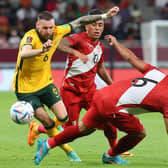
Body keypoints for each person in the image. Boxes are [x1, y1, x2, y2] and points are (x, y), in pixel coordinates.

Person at [33, 34, 168, 165]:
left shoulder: (157, 73)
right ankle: (110, 155)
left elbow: (132, 58)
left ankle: (48, 144)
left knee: (83, 129)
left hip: (102, 94)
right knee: (139, 133)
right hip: (114, 105)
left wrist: (116, 44)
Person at [12, 8, 120, 162]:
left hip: (45, 84)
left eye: (51, 27)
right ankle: (69, 152)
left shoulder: (57, 31)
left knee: (63, 118)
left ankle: (37, 129)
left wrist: (106, 15)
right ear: (37, 26)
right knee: (50, 122)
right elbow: (24, 53)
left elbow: (80, 21)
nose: (48, 31)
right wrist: (41, 50)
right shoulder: (30, 37)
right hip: (25, 89)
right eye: (44, 28)